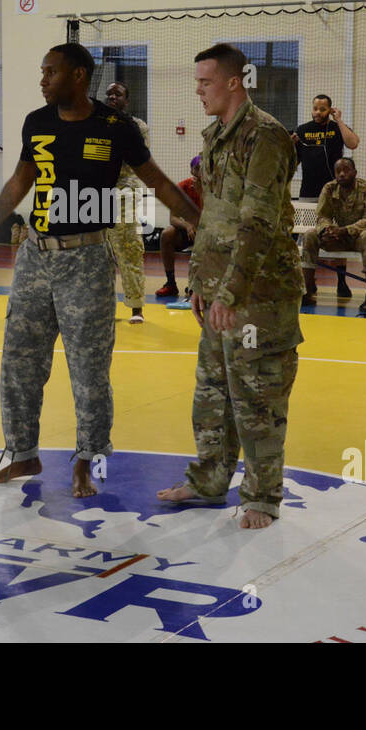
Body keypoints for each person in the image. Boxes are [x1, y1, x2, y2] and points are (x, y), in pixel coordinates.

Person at [0, 43, 199, 498]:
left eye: (51, 72)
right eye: (42, 72)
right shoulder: (36, 122)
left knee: (88, 368)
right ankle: (22, 452)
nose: (42, 80)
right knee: (19, 363)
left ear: (79, 75)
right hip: (34, 255)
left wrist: (197, 221)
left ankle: (88, 458)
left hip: (86, 259)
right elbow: (21, 180)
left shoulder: (115, 126)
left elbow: (158, 181)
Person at [156, 43, 303, 530]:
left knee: (257, 397)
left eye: (205, 82)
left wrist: (232, 292)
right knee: (213, 395)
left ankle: (262, 496)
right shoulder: (216, 135)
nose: (197, 91)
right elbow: (214, 218)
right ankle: (209, 480)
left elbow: (257, 222)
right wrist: (201, 281)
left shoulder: (266, 137)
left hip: (259, 296)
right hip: (220, 289)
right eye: (196, 82)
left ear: (234, 82)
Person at [301, 157, 366, 311]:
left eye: (346, 170)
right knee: (310, 234)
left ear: (355, 172)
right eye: (338, 171)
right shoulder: (329, 189)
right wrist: (327, 230)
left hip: (361, 237)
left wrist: (346, 230)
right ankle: (307, 292)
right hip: (338, 237)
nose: (342, 174)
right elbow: (323, 216)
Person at [104, 81, 152, 323]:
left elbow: (137, 159)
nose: (112, 97)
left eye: (118, 94)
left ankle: (136, 308)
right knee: (99, 253)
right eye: (109, 94)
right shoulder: (96, 124)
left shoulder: (137, 127)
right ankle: (102, 307)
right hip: (97, 194)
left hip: (124, 193)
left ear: (127, 100)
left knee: (128, 248)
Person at [292, 95, 359, 200]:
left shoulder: (337, 128)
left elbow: (353, 143)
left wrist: (338, 120)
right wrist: (290, 145)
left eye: (322, 109)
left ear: (330, 110)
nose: (318, 112)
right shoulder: (302, 130)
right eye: (315, 109)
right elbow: (293, 162)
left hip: (334, 192)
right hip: (308, 192)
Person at [156, 155, 204, 298]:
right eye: (197, 169)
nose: (199, 173)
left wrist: (201, 192)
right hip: (189, 232)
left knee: (205, 238)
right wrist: (188, 225)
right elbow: (173, 218)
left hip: (206, 232)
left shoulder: (213, 189)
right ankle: (170, 283)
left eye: (202, 169)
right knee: (167, 234)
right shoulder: (183, 187)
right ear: (191, 170)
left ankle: (197, 285)